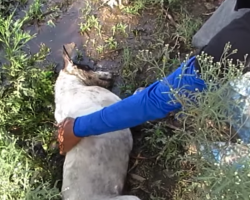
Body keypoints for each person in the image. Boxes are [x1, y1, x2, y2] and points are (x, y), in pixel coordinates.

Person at [57, 1, 250, 155]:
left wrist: (78, 128)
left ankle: (211, 151)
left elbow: (155, 101)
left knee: (168, 95)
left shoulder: (234, 47)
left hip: (232, 59)